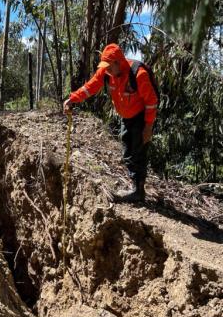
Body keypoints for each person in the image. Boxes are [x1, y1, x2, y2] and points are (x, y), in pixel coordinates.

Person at [63, 43, 158, 202]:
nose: (106, 69)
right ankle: (135, 187)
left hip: (140, 117)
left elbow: (151, 102)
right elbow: (90, 87)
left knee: (138, 152)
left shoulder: (138, 74)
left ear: (118, 62)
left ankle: (138, 191)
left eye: (109, 66)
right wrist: (73, 99)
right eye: (104, 66)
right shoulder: (106, 72)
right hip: (126, 117)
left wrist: (148, 126)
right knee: (128, 152)